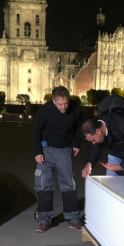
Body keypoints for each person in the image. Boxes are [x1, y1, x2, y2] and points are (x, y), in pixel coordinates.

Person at [31, 86, 82, 233]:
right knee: (43, 184)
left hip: (64, 150)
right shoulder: (45, 110)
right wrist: (37, 152)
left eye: (65, 103)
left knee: (69, 184)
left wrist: (77, 144)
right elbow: (36, 131)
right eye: (60, 104)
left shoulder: (75, 109)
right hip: (46, 150)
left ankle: (73, 218)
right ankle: (43, 219)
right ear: (54, 101)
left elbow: (79, 127)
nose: (63, 107)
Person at [81, 95, 124, 178]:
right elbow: (95, 148)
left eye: (93, 140)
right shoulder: (96, 125)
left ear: (99, 131)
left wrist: (121, 166)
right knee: (110, 183)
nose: (93, 143)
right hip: (116, 151)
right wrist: (89, 164)